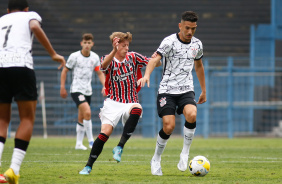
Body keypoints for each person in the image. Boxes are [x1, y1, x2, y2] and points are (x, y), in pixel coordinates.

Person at [0, 0, 66, 183]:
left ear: (8, 9)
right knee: (27, 119)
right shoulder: (31, 15)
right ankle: (13, 169)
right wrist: (52, 53)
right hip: (21, 66)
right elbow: (35, 27)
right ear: (26, 8)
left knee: (2, 120)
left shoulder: (2, 20)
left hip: (1, 67)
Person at [79, 32, 160, 175]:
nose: (127, 48)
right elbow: (103, 66)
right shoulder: (107, 59)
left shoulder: (133, 57)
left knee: (137, 109)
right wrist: (114, 51)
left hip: (130, 101)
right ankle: (88, 166)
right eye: (123, 45)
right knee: (105, 133)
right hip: (112, 103)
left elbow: (155, 63)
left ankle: (119, 147)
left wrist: (156, 59)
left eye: (127, 45)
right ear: (116, 46)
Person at [138, 11, 207, 176]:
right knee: (169, 126)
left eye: (193, 29)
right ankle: (156, 159)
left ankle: (185, 153)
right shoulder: (169, 42)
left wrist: (204, 90)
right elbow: (154, 59)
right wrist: (146, 74)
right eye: (187, 28)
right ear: (180, 26)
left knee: (192, 114)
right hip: (167, 90)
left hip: (186, 89)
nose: (190, 32)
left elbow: (198, 66)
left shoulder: (197, 44)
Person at [60, 33, 105, 150]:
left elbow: (99, 72)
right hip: (76, 89)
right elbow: (65, 71)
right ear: (81, 43)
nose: (87, 45)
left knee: (82, 116)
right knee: (88, 112)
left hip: (87, 91)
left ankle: (78, 144)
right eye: (85, 42)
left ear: (92, 44)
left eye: (89, 43)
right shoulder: (74, 56)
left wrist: (105, 86)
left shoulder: (95, 57)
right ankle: (91, 141)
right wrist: (62, 87)